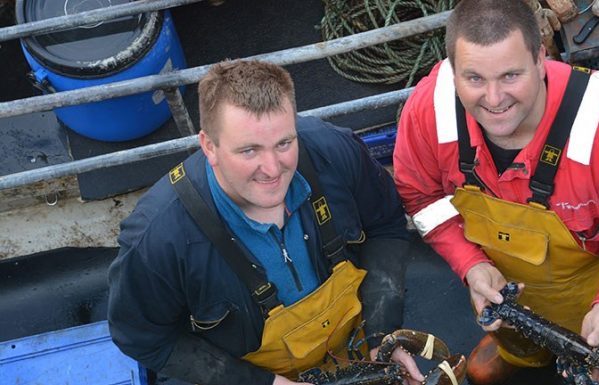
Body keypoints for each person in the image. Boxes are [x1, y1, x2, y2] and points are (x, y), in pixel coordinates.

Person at [393, 0, 599, 384]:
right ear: (453, 72)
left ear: (540, 58)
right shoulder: (427, 109)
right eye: (474, 79)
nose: (494, 100)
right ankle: (520, 354)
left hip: (592, 287)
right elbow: (422, 199)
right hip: (495, 282)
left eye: (510, 75)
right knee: (513, 344)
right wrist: (470, 264)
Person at [108, 59, 423, 385]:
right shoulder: (157, 238)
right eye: (249, 151)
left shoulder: (334, 149)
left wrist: (383, 337)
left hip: (352, 348)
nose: (273, 170)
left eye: (284, 143)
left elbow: (386, 226)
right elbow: (142, 337)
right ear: (209, 147)